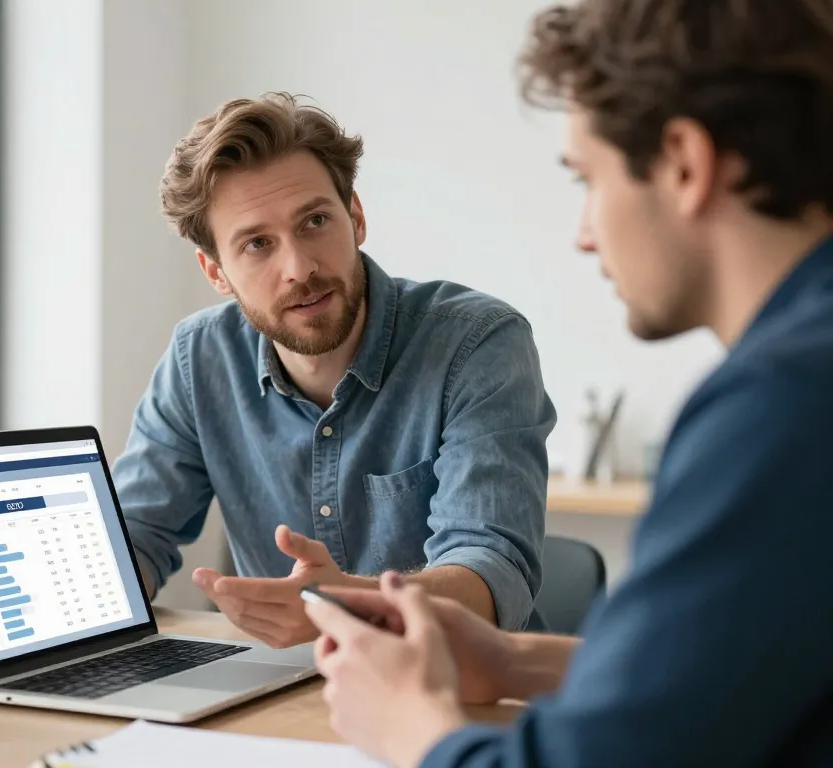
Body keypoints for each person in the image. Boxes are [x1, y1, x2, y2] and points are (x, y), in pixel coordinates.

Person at [303, 1, 833, 766]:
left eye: (589, 179)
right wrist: (518, 662)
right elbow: (725, 680)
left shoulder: (780, 408)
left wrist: (411, 728)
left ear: (685, 162)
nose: (584, 232)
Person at [111, 93, 557, 648]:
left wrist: (350, 604)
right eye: (256, 244)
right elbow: (136, 535)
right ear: (215, 272)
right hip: (279, 692)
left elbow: (492, 568)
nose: (299, 268)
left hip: (462, 686)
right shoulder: (199, 359)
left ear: (356, 216)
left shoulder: (476, 343)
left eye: (316, 221)